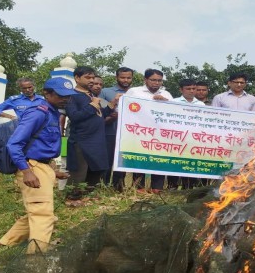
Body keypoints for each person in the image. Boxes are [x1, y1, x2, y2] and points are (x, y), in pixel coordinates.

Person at [0, 78, 76, 253]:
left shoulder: (53, 112)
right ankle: (35, 259)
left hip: (44, 166)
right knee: (43, 215)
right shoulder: (38, 112)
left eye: (68, 96)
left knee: (38, 210)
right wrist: (27, 171)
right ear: (47, 94)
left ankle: (5, 243)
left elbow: (45, 146)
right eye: (61, 95)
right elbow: (14, 144)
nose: (66, 99)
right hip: (32, 166)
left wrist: (53, 171)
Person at [65, 66, 114, 198]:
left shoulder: (91, 95)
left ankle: (87, 196)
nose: (91, 80)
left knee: (98, 168)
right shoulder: (71, 95)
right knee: (79, 172)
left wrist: (111, 105)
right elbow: (74, 116)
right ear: (77, 78)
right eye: (88, 77)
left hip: (97, 140)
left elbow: (98, 115)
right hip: (82, 140)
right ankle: (72, 198)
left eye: (93, 77)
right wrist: (92, 105)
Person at [124, 69, 174, 192]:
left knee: (159, 160)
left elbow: (174, 114)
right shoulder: (134, 92)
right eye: (153, 80)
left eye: (159, 80)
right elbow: (124, 108)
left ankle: (157, 189)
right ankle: (138, 188)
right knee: (140, 159)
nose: (156, 83)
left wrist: (165, 103)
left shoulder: (167, 94)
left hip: (160, 135)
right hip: (140, 133)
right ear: (145, 80)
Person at [98, 67, 134, 190]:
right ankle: (103, 187)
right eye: (123, 77)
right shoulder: (105, 92)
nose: (126, 80)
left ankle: (118, 187)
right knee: (107, 162)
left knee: (122, 162)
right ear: (116, 77)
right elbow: (101, 111)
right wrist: (113, 106)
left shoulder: (135, 93)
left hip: (128, 135)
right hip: (110, 132)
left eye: (128, 77)